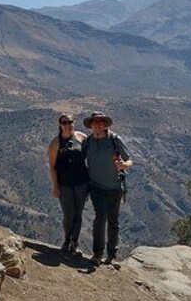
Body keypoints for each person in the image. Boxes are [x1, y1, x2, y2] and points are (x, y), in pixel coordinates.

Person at [82, 111, 132, 266]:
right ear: (90, 125)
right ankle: (97, 253)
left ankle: (111, 255)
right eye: (95, 122)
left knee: (113, 221)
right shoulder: (88, 141)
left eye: (100, 122)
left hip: (115, 187)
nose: (98, 125)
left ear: (105, 124)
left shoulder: (114, 140)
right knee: (99, 218)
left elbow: (129, 160)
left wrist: (124, 165)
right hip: (96, 186)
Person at [47, 113, 89, 255]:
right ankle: (67, 240)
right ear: (60, 125)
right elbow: (52, 166)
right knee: (68, 214)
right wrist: (55, 186)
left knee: (78, 213)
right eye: (64, 122)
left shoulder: (82, 137)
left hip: (82, 182)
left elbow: (94, 153)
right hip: (64, 184)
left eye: (69, 121)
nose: (67, 124)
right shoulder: (55, 143)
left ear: (74, 122)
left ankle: (74, 243)